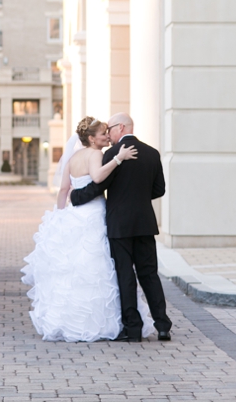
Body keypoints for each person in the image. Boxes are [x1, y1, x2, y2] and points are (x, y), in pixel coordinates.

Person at [21, 116, 156, 342]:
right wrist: (119, 159)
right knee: (99, 268)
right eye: (103, 133)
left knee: (78, 269)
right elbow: (97, 177)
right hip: (94, 215)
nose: (106, 136)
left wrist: (60, 216)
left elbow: (64, 189)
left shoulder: (73, 157)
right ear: (92, 139)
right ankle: (102, 322)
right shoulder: (96, 155)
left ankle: (72, 320)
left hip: (75, 217)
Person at [70, 113, 172, 342]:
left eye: (110, 128)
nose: (108, 134)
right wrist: (140, 197)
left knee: (125, 275)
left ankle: (133, 328)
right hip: (145, 223)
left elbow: (99, 186)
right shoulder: (152, 153)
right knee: (149, 275)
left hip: (119, 225)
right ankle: (163, 325)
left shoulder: (112, 154)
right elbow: (160, 189)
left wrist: (76, 196)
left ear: (121, 127)